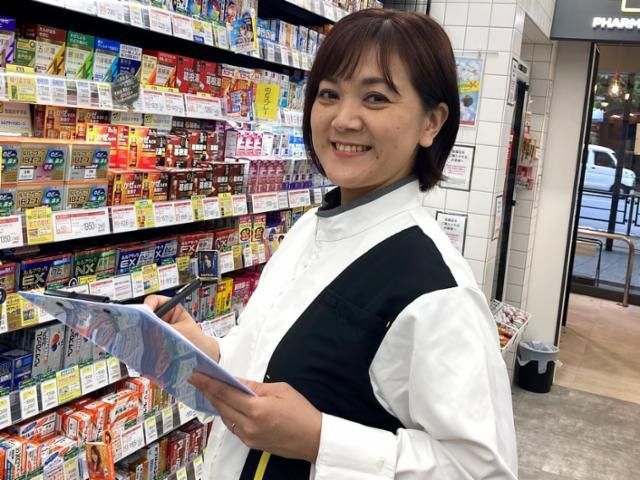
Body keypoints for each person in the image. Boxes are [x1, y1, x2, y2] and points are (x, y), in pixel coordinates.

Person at [146, 9, 518, 480]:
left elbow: (482, 470)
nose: (343, 119)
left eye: (376, 98)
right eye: (329, 94)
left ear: (432, 123)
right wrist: (206, 352)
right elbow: (269, 365)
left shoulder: (437, 290)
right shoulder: (310, 227)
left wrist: (321, 439)